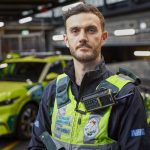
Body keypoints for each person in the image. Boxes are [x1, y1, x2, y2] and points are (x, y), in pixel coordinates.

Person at [28, 2, 150, 150]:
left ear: (103, 37)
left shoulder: (126, 94)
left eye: (91, 30)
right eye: (75, 30)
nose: (82, 37)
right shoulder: (52, 90)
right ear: (66, 40)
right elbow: (37, 145)